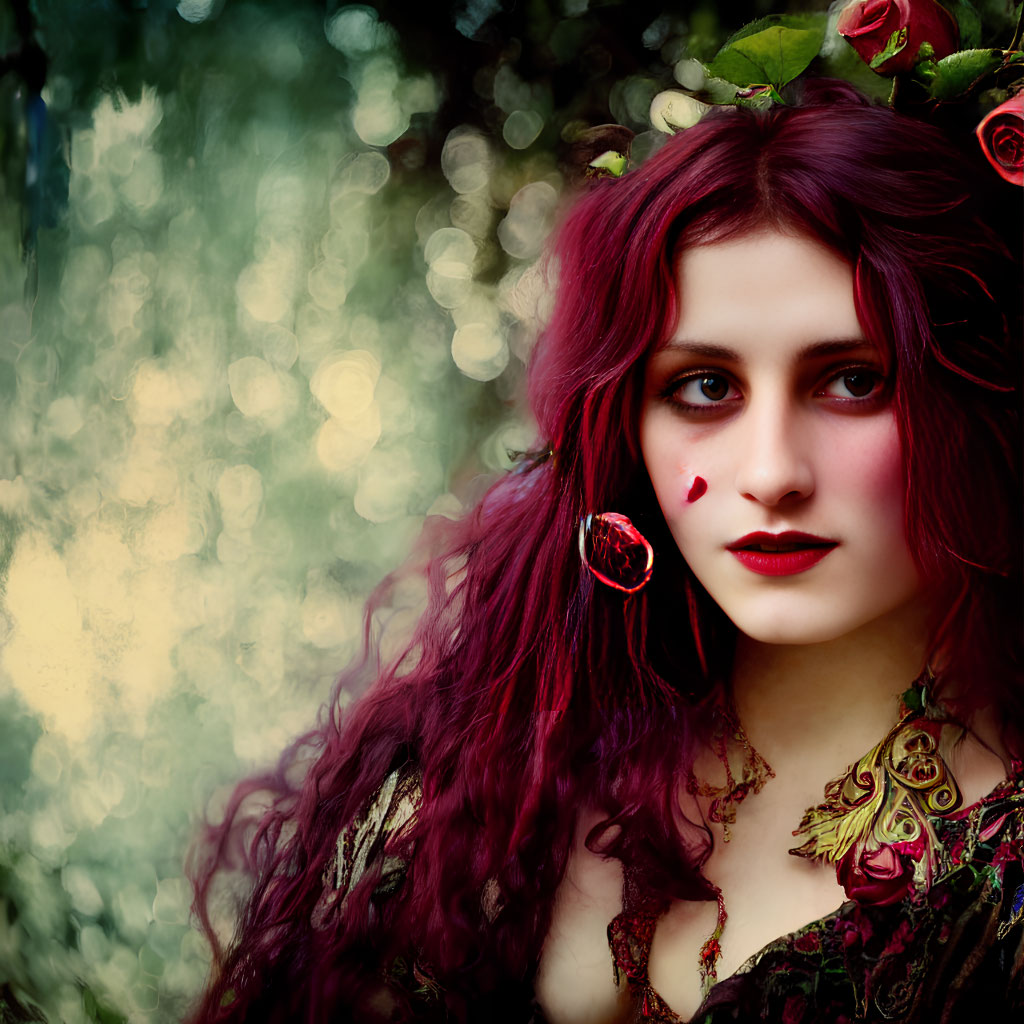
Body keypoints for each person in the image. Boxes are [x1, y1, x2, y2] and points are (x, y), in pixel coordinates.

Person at [187, 79, 1023, 1023]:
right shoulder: (515, 757)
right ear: (626, 422)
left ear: (982, 397)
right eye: (705, 387)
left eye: (855, 379)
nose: (772, 473)